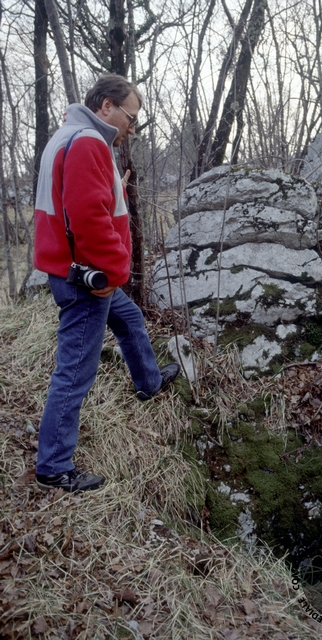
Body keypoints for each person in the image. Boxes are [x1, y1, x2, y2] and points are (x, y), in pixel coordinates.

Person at [33, 74, 180, 493]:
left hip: (73, 268)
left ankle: (148, 382)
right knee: (76, 371)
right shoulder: (88, 143)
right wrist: (114, 273)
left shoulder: (67, 136)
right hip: (86, 277)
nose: (132, 128)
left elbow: (76, 200)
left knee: (129, 319)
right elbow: (88, 219)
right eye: (130, 118)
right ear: (106, 107)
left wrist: (116, 188)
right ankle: (54, 467)